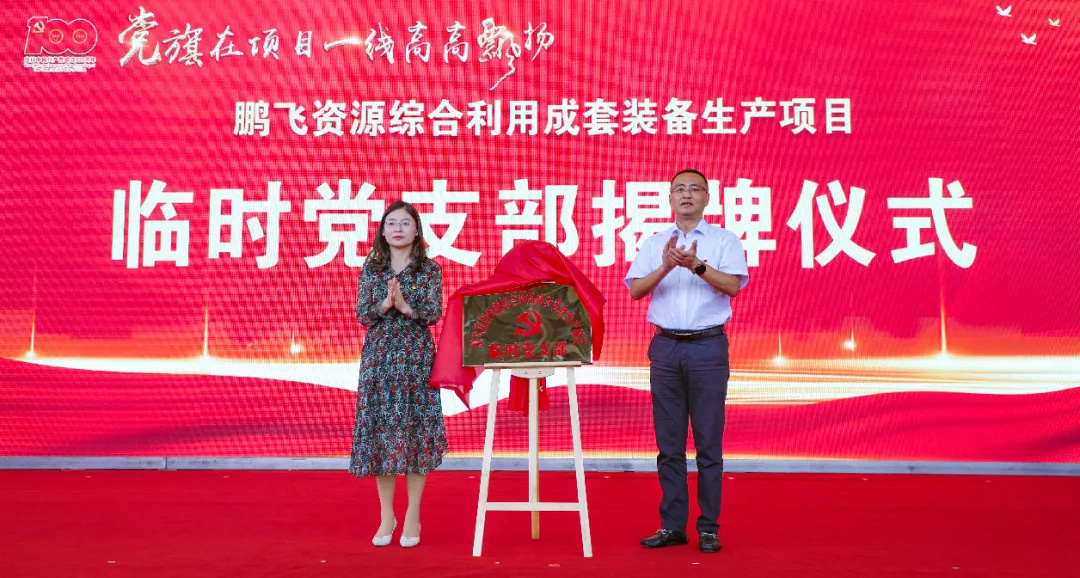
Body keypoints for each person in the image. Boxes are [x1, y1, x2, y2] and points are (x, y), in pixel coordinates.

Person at [624, 169, 749, 554]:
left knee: (709, 444)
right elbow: (635, 291)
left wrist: (696, 265)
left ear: (707, 198)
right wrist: (666, 265)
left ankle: (708, 528)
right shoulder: (655, 243)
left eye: (695, 189)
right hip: (665, 349)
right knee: (669, 444)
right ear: (670, 199)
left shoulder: (725, 240)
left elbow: (733, 285)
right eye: (679, 189)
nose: (687, 195)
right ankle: (672, 525)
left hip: (707, 348)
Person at [350, 200, 447, 549]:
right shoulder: (372, 268)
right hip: (379, 359)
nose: (398, 229)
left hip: (415, 358)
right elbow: (363, 314)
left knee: (416, 433)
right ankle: (386, 516)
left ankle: (413, 515)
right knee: (384, 435)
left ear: (416, 230)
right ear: (382, 231)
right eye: (391, 223)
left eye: (405, 223)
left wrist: (407, 307)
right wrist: (384, 305)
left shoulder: (429, 270)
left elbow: (433, 313)